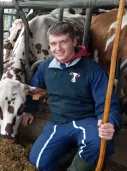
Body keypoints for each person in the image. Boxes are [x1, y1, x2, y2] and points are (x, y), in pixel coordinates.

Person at [22, 22, 121, 171]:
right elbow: (35, 90)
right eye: (53, 43)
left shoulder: (93, 69)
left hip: (86, 121)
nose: (58, 48)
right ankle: (78, 156)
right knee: (38, 163)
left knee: (99, 141)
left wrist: (110, 122)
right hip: (58, 122)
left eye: (63, 42)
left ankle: (81, 163)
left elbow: (108, 103)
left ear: (74, 41)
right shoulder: (45, 66)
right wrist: (28, 109)